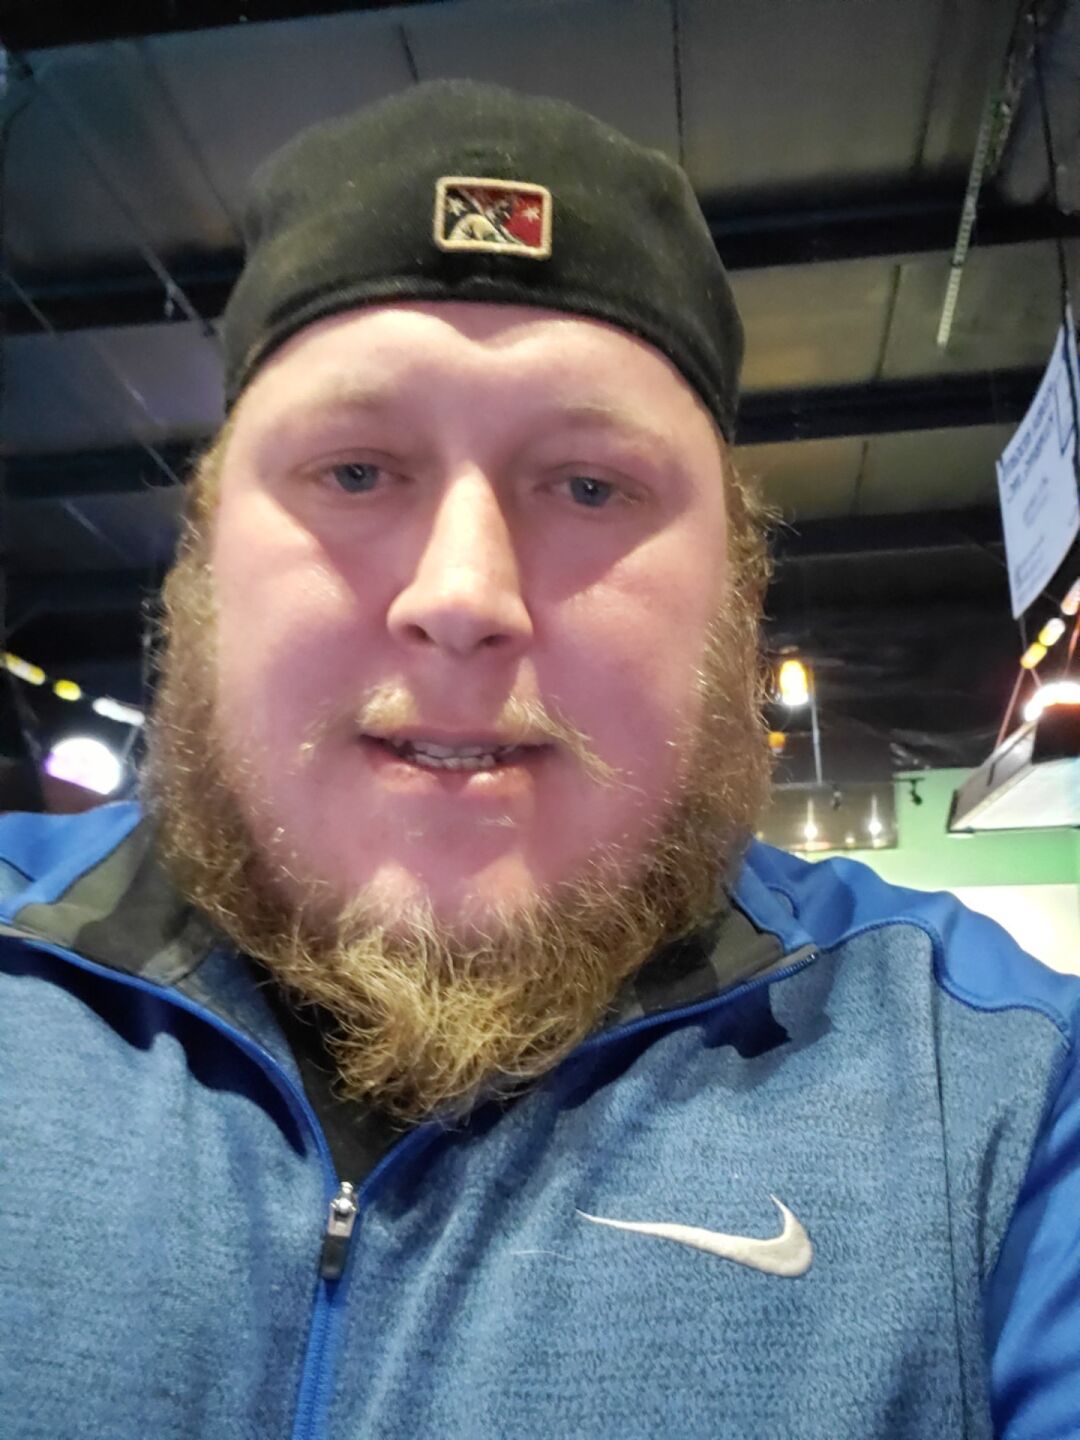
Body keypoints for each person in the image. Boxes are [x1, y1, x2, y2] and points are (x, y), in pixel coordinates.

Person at [0, 80, 1077, 1440]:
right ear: (207, 556)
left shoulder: (1001, 1098)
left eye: (588, 486)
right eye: (354, 472)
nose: (462, 595)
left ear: (735, 585)